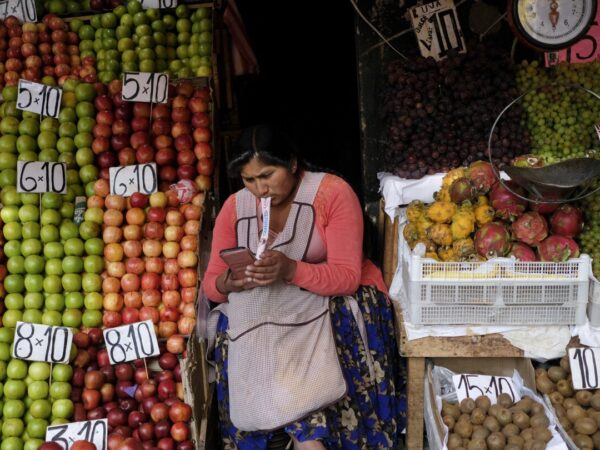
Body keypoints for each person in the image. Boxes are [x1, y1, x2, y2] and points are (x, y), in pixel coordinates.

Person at [204, 124, 406, 449]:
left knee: (329, 324)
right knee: (233, 327)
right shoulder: (234, 208)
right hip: (275, 310)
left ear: (293, 164)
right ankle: (289, 434)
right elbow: (212, 289)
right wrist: (231, 281)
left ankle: (305, 436)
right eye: (248, 179)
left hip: (329, 299)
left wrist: (290, 269)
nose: (259, 188)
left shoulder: (331, 193)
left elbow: (346, 277)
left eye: (267, 175)